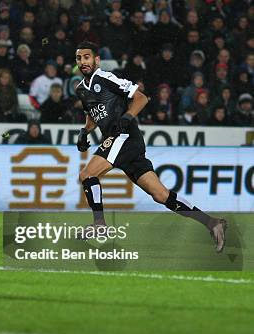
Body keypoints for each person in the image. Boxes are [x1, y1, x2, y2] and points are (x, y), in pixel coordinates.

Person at [73, 41, 227, 252]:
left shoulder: (105, 78)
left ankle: (99, 225)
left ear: (96, 59)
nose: (83, 62)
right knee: (161, 195)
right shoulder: (80, 88)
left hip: (124, 136)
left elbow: (140, 97)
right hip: (122, 142)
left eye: (87, 57)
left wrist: (127, 117)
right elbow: (93, 113)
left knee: (87, 175)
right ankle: (212, 223)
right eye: (79, 58)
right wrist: (84, 131)